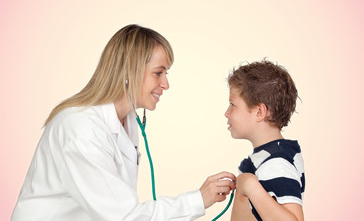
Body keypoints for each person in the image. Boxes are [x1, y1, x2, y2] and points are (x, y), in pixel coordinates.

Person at [11, 24, 236, 221]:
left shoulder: (126, 119)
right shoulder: (80, 128)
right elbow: (123, 216)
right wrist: (198, 200)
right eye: (159, 73)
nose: (166, 84)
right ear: (129, 72)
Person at [225, 60, 305, 221]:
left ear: (259, 112)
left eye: (232, 105)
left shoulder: (276, 163)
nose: (226, 113)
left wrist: (250, 187)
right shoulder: (269, 157)